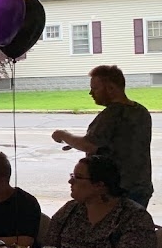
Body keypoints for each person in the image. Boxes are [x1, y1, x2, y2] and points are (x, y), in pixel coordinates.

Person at [51, 65, 153, 207]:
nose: (91, 93)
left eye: (95, 88)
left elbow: (88, 144)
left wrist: (63, 135)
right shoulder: (141, 111)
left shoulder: (112, 114)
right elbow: (121, 141)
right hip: (141, 186)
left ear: (111, 88)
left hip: (118, 190)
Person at [41, 155, 157, 248]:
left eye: (78, 177)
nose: (70, 181)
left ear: (99, 185)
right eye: (72, 176)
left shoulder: (133, 216)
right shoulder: (70, 210)